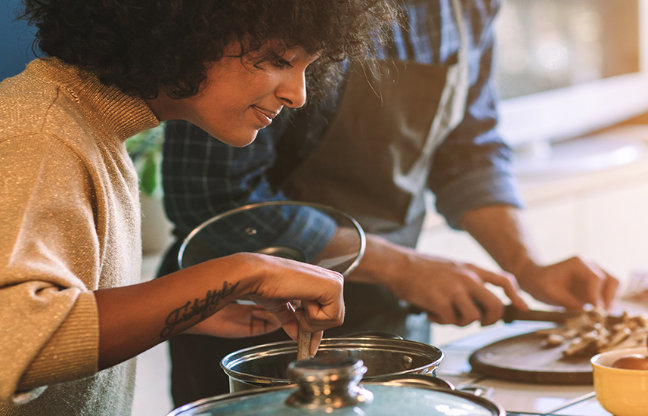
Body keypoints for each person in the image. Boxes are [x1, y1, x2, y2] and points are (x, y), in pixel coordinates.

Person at [157, 0, 621, 406]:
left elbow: (468, 150)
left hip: (390, 326)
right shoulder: (272, 16)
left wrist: (528, 265)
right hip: (256, 332)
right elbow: (215, 198)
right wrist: (402, 269)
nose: (296, 92)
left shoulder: (468, 6)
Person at [0, 1, 399, 415]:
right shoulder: (41, 136)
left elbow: (63, 302)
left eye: (307, 68)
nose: (297, 95)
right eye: (280, 60)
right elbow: (13, 340)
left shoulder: (88, 129)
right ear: (179, 27)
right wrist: (245, 272)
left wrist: (186, 311)